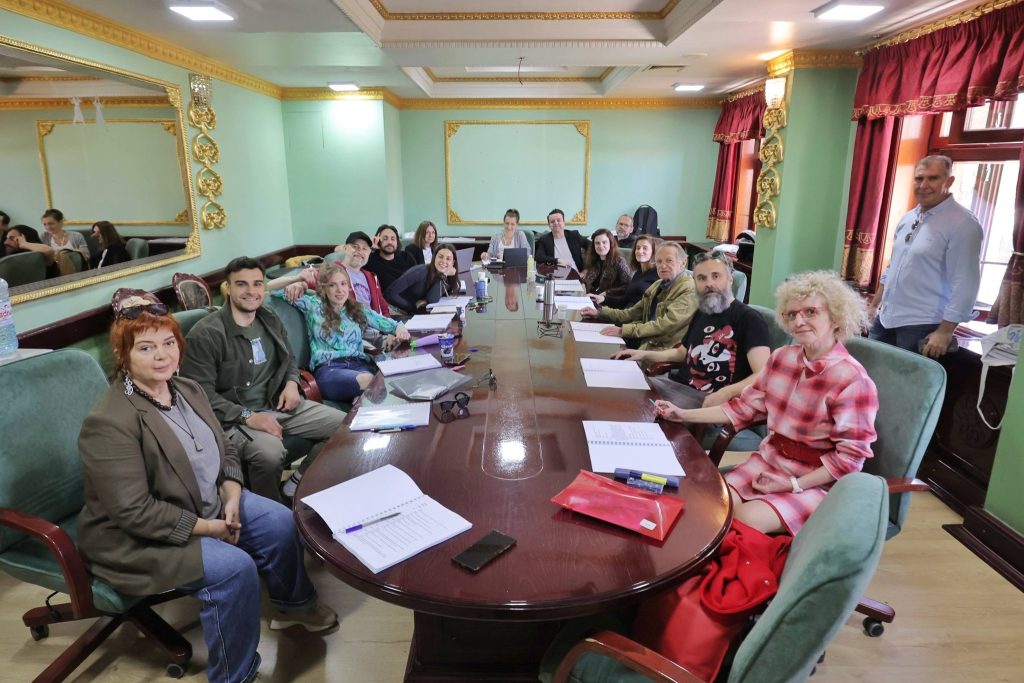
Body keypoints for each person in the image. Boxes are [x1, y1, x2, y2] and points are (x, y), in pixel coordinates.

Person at [78, 292, 337, 683]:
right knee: (234, 569)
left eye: (169, 343)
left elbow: (226, 449)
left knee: (281, 521)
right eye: (145, 348)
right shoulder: (110, 421)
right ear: (123, 355)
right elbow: (134, 512)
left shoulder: (189, 389)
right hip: (136, 537)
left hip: (207, 502)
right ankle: (233, 674)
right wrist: (210, 528)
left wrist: (232, 493)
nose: (161, 355)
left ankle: (294, 606)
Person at [654, 270, 879, 535]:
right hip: (769, 461)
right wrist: (682, 414)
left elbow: (849, 461)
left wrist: (793, 484)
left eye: (810, 312)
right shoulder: (782, 358)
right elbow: (743, 408)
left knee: (740, 523)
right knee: (708, 507)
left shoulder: (852, 380)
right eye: (791, 314)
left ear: (836, 317)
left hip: (817, 481)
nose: (799, 321)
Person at [180, 256, 346, 504]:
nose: (251, 291)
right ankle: (269, 509)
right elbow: (198, 396)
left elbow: (289, 357)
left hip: (276, 404)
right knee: (269, 452)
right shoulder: (206, 335)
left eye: (257, 284)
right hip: (234, 418)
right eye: (242, 284)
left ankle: (295, 486)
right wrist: (249, 416)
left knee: (345, 427)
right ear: (228, 288)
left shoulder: (269, 318)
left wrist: (292, 383)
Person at [616, 251, 770, 408]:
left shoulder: (749, 319)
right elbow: (682, 353)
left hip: (709, 399)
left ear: (730, 279)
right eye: (702, 278)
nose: (709, 283)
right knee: (623, 388)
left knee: (636, 407)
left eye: (716, 276)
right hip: (676, 386)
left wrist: (727, 393)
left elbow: (763, 374)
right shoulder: (703, 311)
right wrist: (643, 354)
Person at [868, 154, 983, 358]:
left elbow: (966, 283)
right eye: (919, 178)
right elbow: (893, 267)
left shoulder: (963, 223)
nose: (924, 185)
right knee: (869, 373)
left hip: (922, 325)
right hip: (886, 319)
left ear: (949, 181)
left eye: (933, 178)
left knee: (908, 379)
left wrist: (945, 331)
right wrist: (874, 306)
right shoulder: (908, 217)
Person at [269, 263, 409, 402]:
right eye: (332, 285)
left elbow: (392, 325)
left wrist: (400, 330)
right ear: (324, 288)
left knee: (395, 375)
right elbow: (271, 288)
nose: (340, 290)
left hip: (360, 365)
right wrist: (298, 280)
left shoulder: (356, 309)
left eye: (343, 284)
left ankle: (357, 400)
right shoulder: (312, 304)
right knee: (371, 382)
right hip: (330, 370)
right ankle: (359, 399)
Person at [580, 242, 697, 352]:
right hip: (644, 341)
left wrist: (623, 331)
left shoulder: (688, 290)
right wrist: (599, 312)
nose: (663, 266)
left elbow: (664, 325)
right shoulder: (658, 285)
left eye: (669, 260)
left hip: (660, 350)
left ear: (683, 263)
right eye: (659, 261)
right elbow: (631, 313)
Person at [385, 243, 461, 314]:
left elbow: (432, 299)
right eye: (440, 257)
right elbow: (390, 293)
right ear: (434, 257)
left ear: (453, 263)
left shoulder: (445, 275)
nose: (443, 261)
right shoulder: (419, 272)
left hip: (413, 311)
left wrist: (444, 275)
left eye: (448, 259)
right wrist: (412, 307)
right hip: (394, 310)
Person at [590, 234, 659, 310]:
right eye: (638, 248)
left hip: (635, 316)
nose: (640, 251)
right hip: (625, 312)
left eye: (645, 248)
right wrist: (603, 299)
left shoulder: (657, 274)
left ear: (653, 252)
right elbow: (624, 301)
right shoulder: (638, 273)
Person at [364, 224, 416, 293]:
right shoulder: (369, 260)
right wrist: (369, 247)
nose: (389, 242)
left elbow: (418, 279)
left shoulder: (406, 257)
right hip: (388, 298)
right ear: (378, 241)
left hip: (412, 296)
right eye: (385, 239)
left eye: (393, 239)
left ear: (397, 242)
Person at [580, 228, 630, 296]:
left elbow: (627, 286)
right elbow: (588, 282)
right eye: (597, 243)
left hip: (609, 299)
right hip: (590, 297)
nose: (601, 246)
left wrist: (606, 293)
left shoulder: (619, 262)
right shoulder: (592, 260)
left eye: (604, 242)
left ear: (611, 243)